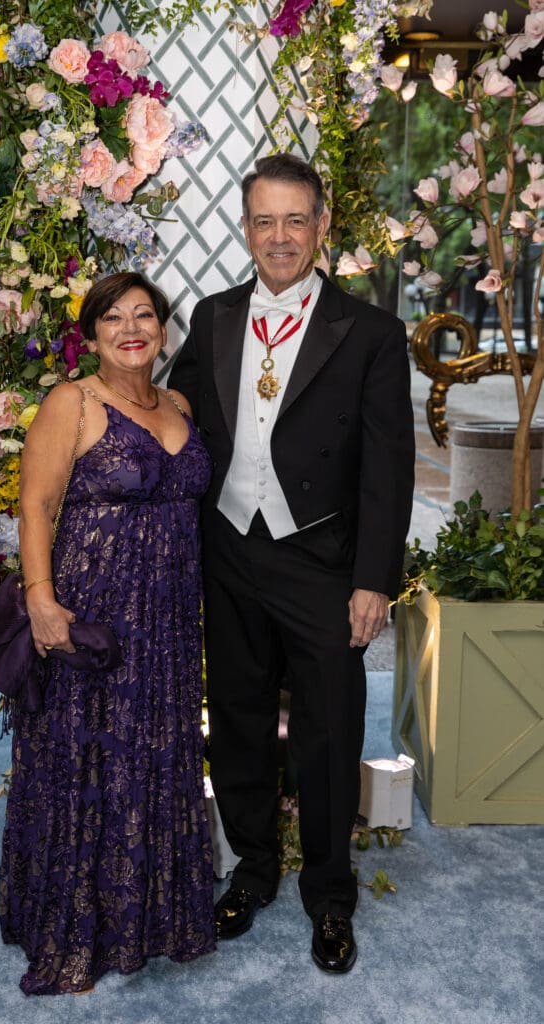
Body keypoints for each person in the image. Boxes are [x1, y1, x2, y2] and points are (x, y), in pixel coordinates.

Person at [168, 153, 415, 974]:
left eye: (294, 220)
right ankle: (252, 870)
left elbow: (387, 465)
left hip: (321, 558)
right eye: (263, 221)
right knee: (236, 719)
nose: (279, 237)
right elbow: (174, 419)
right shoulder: (211, 317)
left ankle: (330, 895)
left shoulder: (370, 331)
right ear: (246, 229)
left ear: (321, 227)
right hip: (229, 547)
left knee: (326, 728)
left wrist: (373, 578)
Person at [0, 271, 216, 995]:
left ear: (162, 329)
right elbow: (35, 505)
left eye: (145, 315)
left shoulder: (178, 402)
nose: (132, 328)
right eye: (113, 317)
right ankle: (77, 928)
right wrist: (40, 600)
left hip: (169, 624)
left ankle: (152, 917)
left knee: (155, 754)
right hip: (96, 616)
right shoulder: (72, 401)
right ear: (89, 335)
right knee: (88, 759)